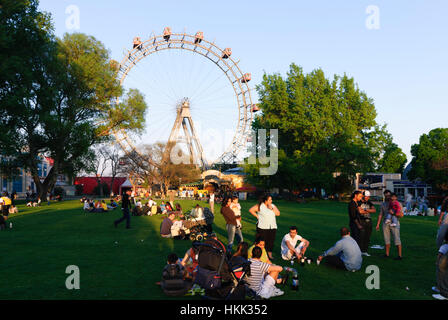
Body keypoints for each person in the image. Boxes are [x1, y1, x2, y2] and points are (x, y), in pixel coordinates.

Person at [249, 194, 280, 260]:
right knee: (261, 241)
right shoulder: (260, 206)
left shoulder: (273, 206)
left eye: (271, 199)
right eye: (269, 200)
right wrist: (257, 216)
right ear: (265, 201)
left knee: (271, 241)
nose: (271, 201)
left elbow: (278, 213)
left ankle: (270, 255)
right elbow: (251, 210)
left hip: (272, 226)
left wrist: (271, 208)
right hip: (262, 227)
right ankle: (258, 254)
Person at [376, 190, 403, 260]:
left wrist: (393, 214)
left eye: (388, 195)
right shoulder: (383, 204)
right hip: (386, 222)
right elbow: (380, 214)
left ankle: (399, 255)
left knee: (397, 238)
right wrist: (378, 224)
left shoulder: (398, 203)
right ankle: (387, 254)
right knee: (386, 239)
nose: (387, 197)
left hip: (395, 222)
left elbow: (401, 215)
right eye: (386, 196)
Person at [358, 190, 376, 256]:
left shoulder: (369, 202)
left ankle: (365, 251)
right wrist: (368, 211)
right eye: (366, 197)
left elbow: (374, 210)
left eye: (368, 197)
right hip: (361, 220)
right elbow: (360, 211)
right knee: (361, 236)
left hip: (368, 220)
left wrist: (365, 210)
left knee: (367, 236)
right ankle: (359, 250)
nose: (367, 198)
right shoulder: (359, 202)